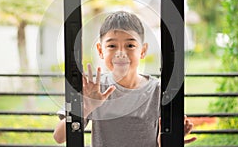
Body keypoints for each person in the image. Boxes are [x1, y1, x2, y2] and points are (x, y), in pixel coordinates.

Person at [53, 11, 196, 146]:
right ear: (100, 51)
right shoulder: (93, 88)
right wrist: (86, 107)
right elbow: (59, 137)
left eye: (130, 45)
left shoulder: (158, 90)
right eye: (112, 46)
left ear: (143, 50)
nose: (121, 53)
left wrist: (168, 141)